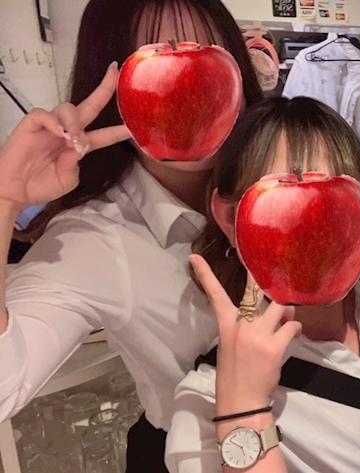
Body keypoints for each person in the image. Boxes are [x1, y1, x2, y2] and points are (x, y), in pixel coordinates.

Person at [0, 0, 262, 470]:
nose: (187, 90)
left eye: (207, 59)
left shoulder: (282, 182)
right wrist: (3, 201)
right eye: (158, 66)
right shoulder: (98, 237)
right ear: (113, 91)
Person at [165, 96, 360, 473]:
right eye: (283, 207)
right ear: (229, 218)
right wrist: (245, 410)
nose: (313, 234)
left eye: (332, 207)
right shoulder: (205, 407)